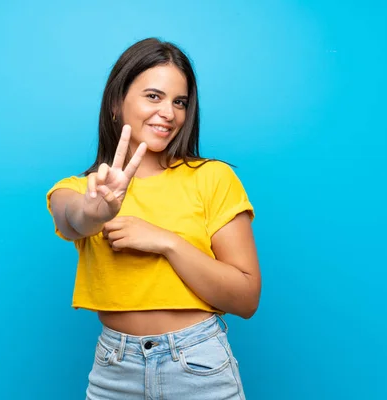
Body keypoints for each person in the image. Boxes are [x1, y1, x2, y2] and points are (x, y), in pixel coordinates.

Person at [46, 37, 261, 400]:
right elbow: (72, 220)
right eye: (153, 96)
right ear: (117, 102)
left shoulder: (213, 178)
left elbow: (246, 299)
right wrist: (94, 211)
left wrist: (167, 242)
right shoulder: (82, 188)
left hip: (199, 365)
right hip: (114, 369)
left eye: (180, 102)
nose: (169, 113)